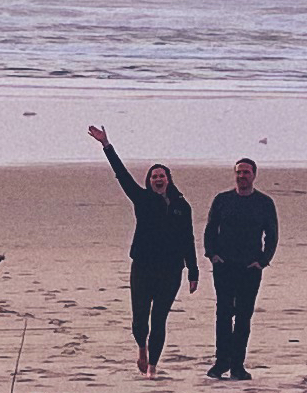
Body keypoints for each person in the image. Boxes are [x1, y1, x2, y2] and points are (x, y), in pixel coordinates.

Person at [87, 122, 196, 375]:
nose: (158, 178)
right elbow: (122, 175)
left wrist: (193, 272)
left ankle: (153, 369)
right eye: (154, 176)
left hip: (171, 270)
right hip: (143, 267)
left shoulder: (182, 206)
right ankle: (141, 350)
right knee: (140, 319)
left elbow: (187, 239)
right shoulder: (142, 199)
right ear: (150, 181)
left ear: (168, 179)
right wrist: (106, 144)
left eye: (162, 175)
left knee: (159, 319)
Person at [202, 155, 278, 379]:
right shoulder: (222, 200)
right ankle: (221, 362)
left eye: (246, 172)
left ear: (254, 175)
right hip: (224, 266)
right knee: (223, 314)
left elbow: (272, 235)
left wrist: (262, 261)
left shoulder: (264, 203)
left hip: (250, 268)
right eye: (239, 172)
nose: (242, 176)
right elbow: (210, 229)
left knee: (243, 317)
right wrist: (212, 254)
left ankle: (237, 365)